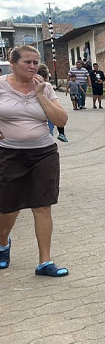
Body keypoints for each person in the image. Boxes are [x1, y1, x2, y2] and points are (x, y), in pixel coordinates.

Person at [0, 45, 69, 277]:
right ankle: (3, 243)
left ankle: (45, 262)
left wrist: (40, 94)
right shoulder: (0, 85)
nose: (33, 66)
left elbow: (61, 119)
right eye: (27, 62)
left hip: (43, 154)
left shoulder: (45, 87)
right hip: (9, 154)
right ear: (13, 63)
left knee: (42, 207)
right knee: (8, 208)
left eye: (36, 62)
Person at [37, 65, 68, 143]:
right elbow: (59, 111)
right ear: (46, 76)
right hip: (48, 113)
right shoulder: (47, 86)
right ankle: (61, 134)